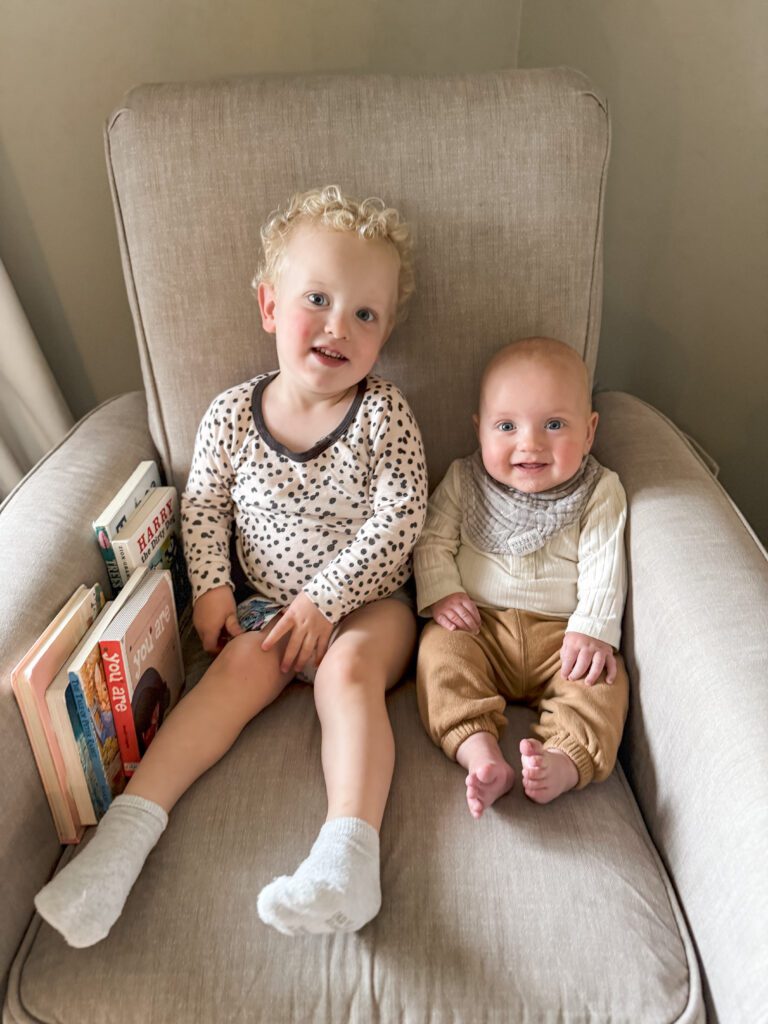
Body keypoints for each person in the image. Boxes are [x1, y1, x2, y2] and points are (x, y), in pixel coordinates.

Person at [35, 186, 428, 945]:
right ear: (269, 306)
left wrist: (325, 600)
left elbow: (400, 519)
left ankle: (348, 859)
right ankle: (122, 842)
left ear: (384, 334)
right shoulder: (229, 416)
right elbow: (204, 507)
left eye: (366, 314)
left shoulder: (384, 413)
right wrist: (212, 587)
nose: (339, 326)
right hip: (265, 610)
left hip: (368, 610)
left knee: (347, 676)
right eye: (318, 298)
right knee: (235, 672)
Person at [414, 337, 628, 819]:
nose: (529, 443)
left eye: (554, 424)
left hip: (563, 641)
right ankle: (480, 753)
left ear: (590, 432)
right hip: (479, 628)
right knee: (438, 654)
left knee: (605, 683)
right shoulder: (464, 480)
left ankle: (562, 760)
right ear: (480, 430)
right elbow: (431, 541)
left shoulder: (599, 491)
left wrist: (592, 629)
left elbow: (605, 566)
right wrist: (442, 591)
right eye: (507, 426)